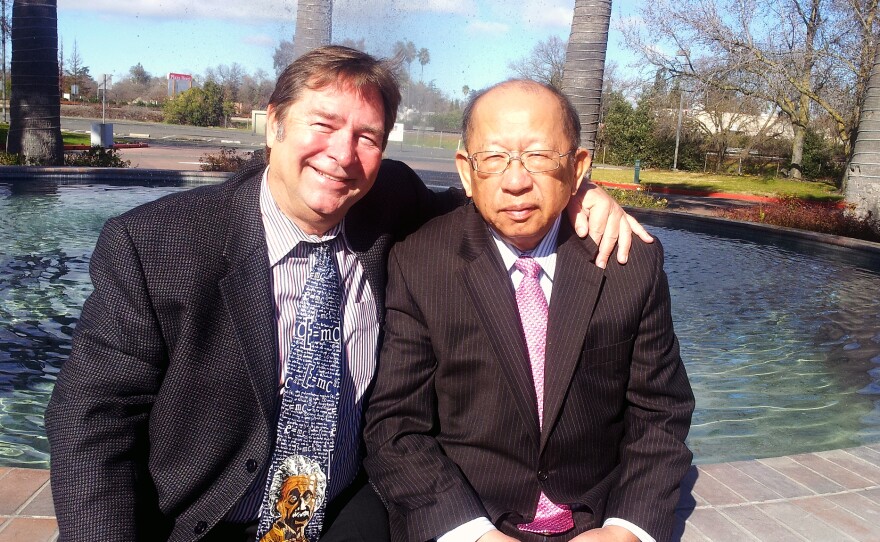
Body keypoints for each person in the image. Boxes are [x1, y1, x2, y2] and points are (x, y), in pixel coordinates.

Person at [45, 47, 647, 542]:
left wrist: (577, 197)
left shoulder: (391, 205)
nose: (342, 154)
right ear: (274, 122)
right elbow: (88, 420)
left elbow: (496, 200)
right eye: (324, 124)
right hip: (211, 513)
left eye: (367, 136)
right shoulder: (156, 244)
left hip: (345, 503)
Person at [364, 79, 695, 542]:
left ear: (577, 166)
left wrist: (627, 528)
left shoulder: (627, 260)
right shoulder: (420, 262)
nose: (516, 181)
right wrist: (469, 532)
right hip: (473, 513)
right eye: (494, 158)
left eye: (539, 157)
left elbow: (660, 413)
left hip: (596, 517)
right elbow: (396, 426)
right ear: (466, 170)